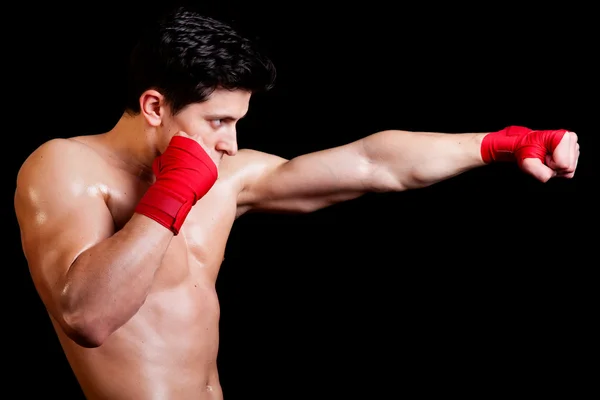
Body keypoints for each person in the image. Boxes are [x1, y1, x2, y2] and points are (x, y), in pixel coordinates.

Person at [14, 7, 579, 400]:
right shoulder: (66, 167)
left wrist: (494, 146)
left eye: (237, 123)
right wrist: (173, 191)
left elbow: (371, 164)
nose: (230, 145)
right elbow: (87, 316)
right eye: (217, 122)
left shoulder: (224, 176)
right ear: (156, 106)